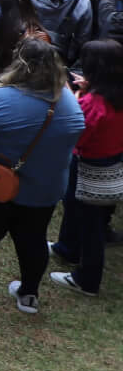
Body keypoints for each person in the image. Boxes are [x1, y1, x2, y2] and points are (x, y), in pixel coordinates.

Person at [0, 39, 86, 313]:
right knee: (33, 239)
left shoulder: (0, 99)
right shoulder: (69, 103)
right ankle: (29, 295)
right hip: (44, 190)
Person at [51, 38, 123, 295]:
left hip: (89, 163)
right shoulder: (113, 95)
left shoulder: (93, 104)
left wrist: (76, 95)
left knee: (90, 224)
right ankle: (66, 247)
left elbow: (77, 131)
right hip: (112, 161)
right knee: (76, 207)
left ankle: (87, 280)